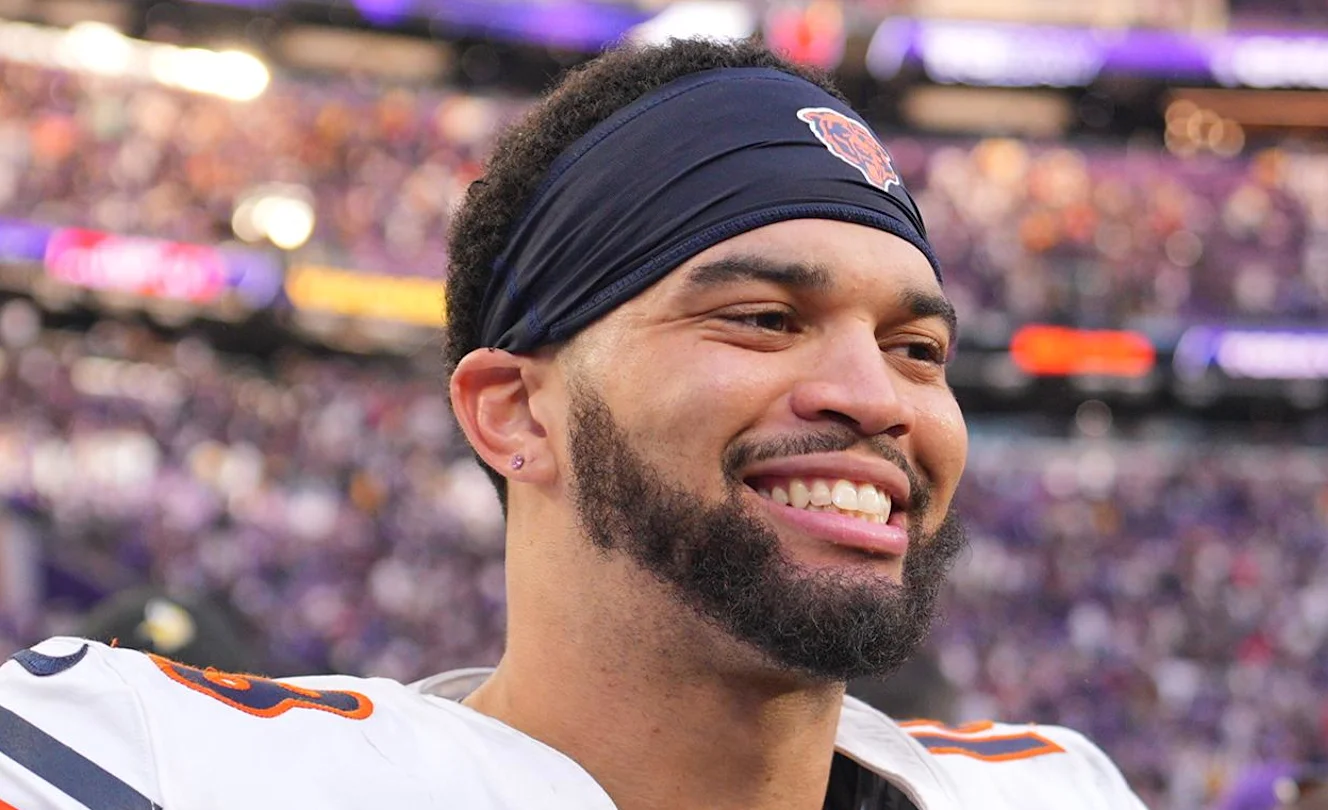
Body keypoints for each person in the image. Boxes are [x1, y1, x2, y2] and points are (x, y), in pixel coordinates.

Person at [0, 39, 1146, 809]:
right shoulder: (150, 768)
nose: (878, 395)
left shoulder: (1056, 792)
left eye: (918, 349)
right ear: (514, 413)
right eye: (763, 318)